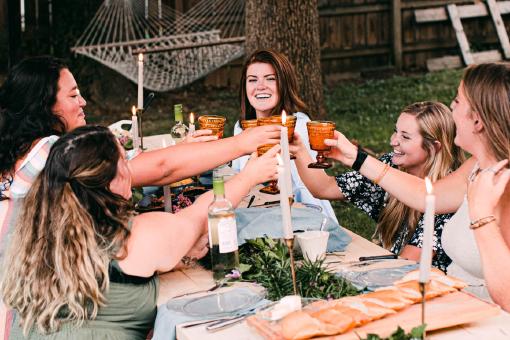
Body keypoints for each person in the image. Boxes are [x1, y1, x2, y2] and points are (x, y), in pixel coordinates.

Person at [0, 56, 280, 337]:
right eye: (73, 95)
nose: (83, 101)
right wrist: (247, 161)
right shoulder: (52, 155)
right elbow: (164, 173)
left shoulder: (54, 224)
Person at [325, 63, 510, 311]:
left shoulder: (503, 185)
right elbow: (425, 195)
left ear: (477, 120)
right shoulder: (478, 165)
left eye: (457, 100)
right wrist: (354, 158)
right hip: (452, 305)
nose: (451, 106)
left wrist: (481, 215)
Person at [290, 102, 465, 271]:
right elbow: (323, 188)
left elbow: (408, 263)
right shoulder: (391, 166)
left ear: (433, 147)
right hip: (392, 273)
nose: (393, 141)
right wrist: (298, 150)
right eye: (395, 131)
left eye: (405, 137)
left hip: (430, 289)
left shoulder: (447, 195)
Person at [230, 49, 338, 223]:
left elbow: (307, 190)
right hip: (252, 211)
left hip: (299, 217)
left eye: (270, 79)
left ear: (284, 84)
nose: (260, 86)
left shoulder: (298, 126)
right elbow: (237, 176)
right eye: (252, 80)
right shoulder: (241, 128)